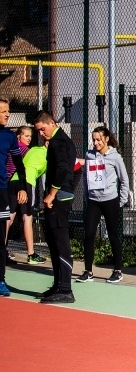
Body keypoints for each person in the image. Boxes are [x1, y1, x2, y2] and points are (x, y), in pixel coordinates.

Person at [75, 126, 130, 284]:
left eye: (99, 139)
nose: (96, 142)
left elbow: (124, 180)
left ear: (106, 139)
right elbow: (86, 177)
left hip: (111, 200)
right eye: (94, 139)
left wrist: (121, 200)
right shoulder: (89, 155)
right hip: (93, 201)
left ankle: (118, 270)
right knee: (89, 234)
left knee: (113, 235)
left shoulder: (115, 157)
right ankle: (88, 271)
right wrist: (86, 194)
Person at [32, 110, 74, 303]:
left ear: (51, 123)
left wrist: (51, 194)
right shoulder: (57, 141)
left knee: (60, 241)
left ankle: (66, 289)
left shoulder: (59, 142)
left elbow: (63, 167)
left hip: (60, 198)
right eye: (38, 131)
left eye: (42, 129)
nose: (41, 134)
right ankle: (58, 286)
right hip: (58, 196)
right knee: (52, 240)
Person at [6, 126, 45, 265]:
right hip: (23, 183)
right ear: (18, 137)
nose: (29, 138)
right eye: (26, 136)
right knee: (27, 217)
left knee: (8, 218)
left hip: (9, 184)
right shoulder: (25, 151)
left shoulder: (11, 149)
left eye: (30, 136)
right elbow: (24, 168)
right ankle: (31, 254)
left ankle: (2, 251)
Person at [0, 101, 27, 297]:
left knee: (1, 239)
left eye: (8, 111)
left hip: (1, 193)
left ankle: (0, 280)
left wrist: (24, 187)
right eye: (3, 111)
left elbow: (19, 164)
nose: (8, 114)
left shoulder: (9, 137)